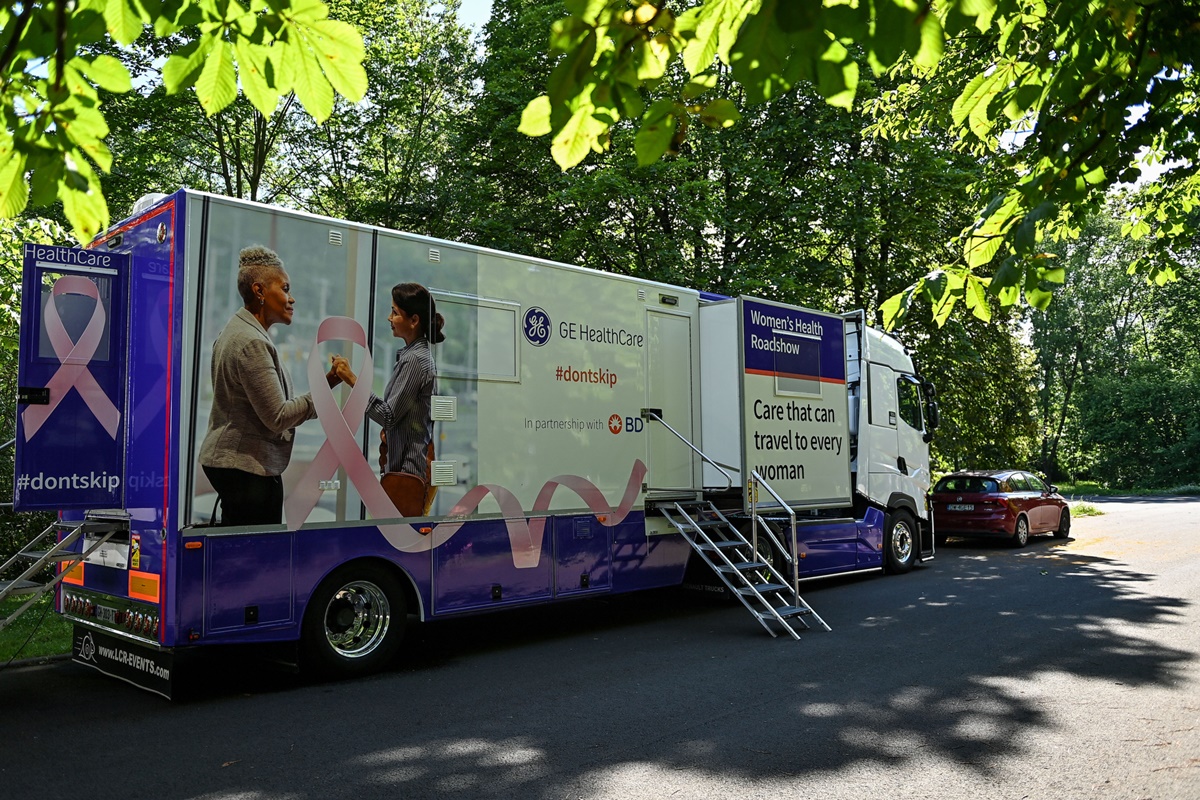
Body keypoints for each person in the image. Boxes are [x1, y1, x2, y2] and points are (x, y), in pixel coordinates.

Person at [199, 245, 344, 526]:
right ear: (260, 291)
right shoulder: (251, 341)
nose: (292, 299)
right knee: (256, 563)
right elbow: (278, 416)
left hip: (236, 466)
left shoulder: (237, 331)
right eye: (285, 289)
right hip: (247, 469)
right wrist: (328, 386)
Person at [334, 282, 444, 508]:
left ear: (414, 321)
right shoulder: (413, 357)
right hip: (405, 471)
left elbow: (388, 416)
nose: (389, 318)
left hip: (407, 473)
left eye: (395, 312)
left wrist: (351, 379)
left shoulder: (415, 360)